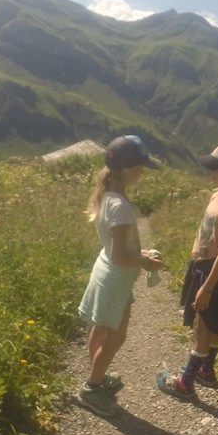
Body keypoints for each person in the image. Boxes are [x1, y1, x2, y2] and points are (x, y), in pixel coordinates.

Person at [157, 142, 218, 399]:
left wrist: (207, 288)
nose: (211, 172)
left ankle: (185, 383)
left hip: (214, 274)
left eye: (217, 167)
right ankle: (206, 371)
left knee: (202, 328)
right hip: (201, 268)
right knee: (210, 327)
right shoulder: (217, 195)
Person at [77, 135, 165, 417]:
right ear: (128, 169)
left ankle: (98, 375)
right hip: (116, 279)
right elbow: (120, 256)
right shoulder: (122, 207)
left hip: (105, 272)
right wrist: (146, 262)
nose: (142, 173)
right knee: (116, 336)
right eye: (140, 168)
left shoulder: (107, 195)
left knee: (101, 327)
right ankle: (92, 388)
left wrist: (140, 251)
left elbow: (118, 248)